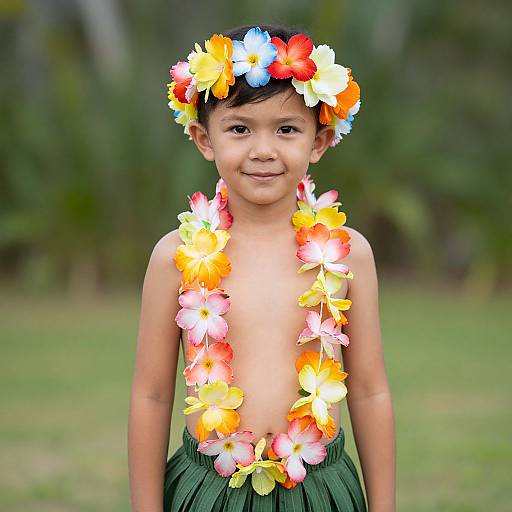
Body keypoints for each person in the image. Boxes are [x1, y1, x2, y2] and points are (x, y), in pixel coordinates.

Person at [128, 23, 395, 512]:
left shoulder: (347, 253)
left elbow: (370, 390)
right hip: (209, 489)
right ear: (203, 138)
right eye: (239, 128)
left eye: (287, 129)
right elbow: (150, 395)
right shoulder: (175, 257)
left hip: (319, 489)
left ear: (320, 141)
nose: (264, 150)